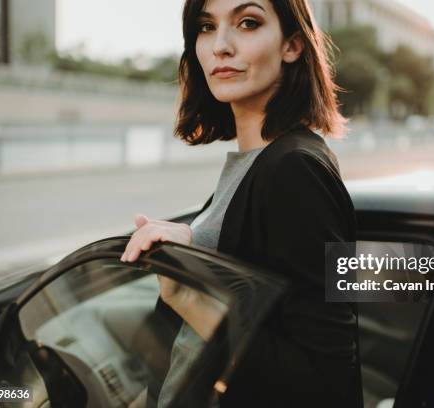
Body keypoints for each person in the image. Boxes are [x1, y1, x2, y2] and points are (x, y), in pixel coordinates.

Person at [121, 0, 362, 406]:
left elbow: (324, 382)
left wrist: (189, 294)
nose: (220, 46)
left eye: (248, 23)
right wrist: (194, 248)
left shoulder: (294, 171)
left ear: (293, 46)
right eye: (206, 26)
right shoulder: (256, 164)